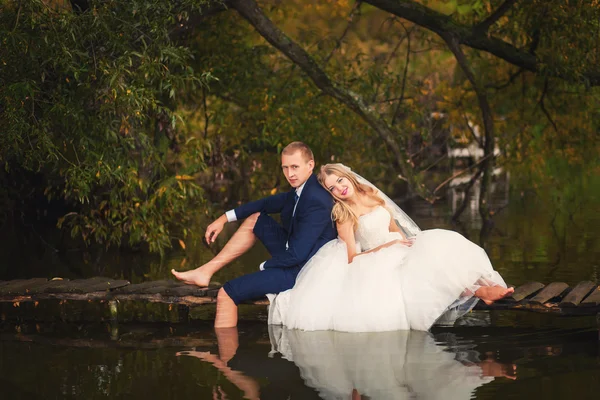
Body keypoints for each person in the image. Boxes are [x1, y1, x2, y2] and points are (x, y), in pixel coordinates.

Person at [269, 163, 514, 332]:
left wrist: (408, 243)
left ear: (349, 177)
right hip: (374, 261)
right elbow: (353, 257)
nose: (340, 188)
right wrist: (390, 246)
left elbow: (395, 228)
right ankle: (481, 293)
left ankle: (484, 285)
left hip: (398, 248)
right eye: (333, 188)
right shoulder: (343, 214)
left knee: (441, 244)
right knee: (426, 272)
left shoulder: (373, 195)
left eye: (340, 181)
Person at [172, 142, 337, 328]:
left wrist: (266, 266)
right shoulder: (301, 190)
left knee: (227, 293)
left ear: (310, 165)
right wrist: (223, 219)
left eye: (294, 167)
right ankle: (205, 271)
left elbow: (298, 255)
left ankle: (224, 356)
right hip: (295, 255)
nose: (289, 174)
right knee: (256, 218)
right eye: (285, 168)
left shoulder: (316, 200)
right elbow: (265, 203)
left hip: (300, 271)